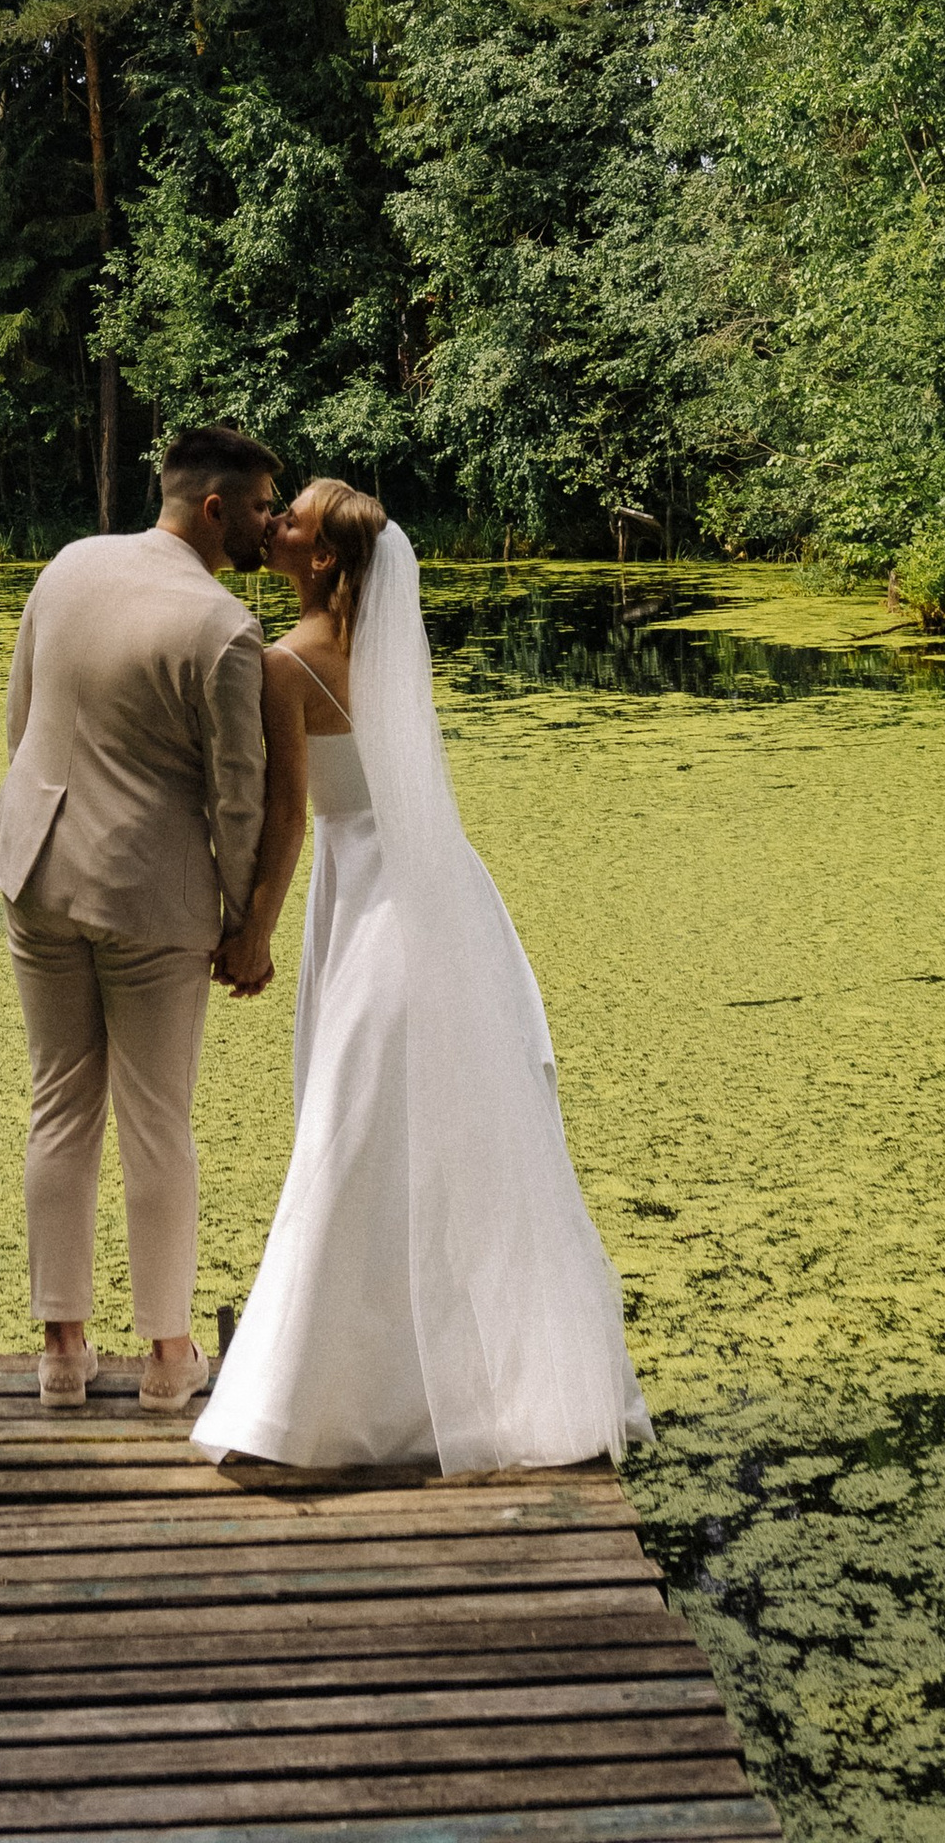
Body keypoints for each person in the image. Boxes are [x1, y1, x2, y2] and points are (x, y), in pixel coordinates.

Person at [195, 477, 651, 1475]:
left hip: (367, 903)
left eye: (292, 522)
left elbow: (283, 817)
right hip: (444, 894)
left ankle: (322, 1399)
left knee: (351, 1128)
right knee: (441, 1128)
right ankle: (464, 1377)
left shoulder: (284, 664)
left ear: (320, 561)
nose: (273, 528)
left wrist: (252, 932)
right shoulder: (394, 651)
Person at [0, 423, 279, 1408]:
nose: (272, 526)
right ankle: (165, 1359)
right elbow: (241, 797)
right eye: (264, 507)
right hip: (149, 896)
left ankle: (61, 1353)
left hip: (38, 867)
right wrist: (243, 921)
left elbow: (21, 719)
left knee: (59, 1105)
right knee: (158, 1123)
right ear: (215, 507)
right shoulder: (224, 627)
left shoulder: (69, 566)